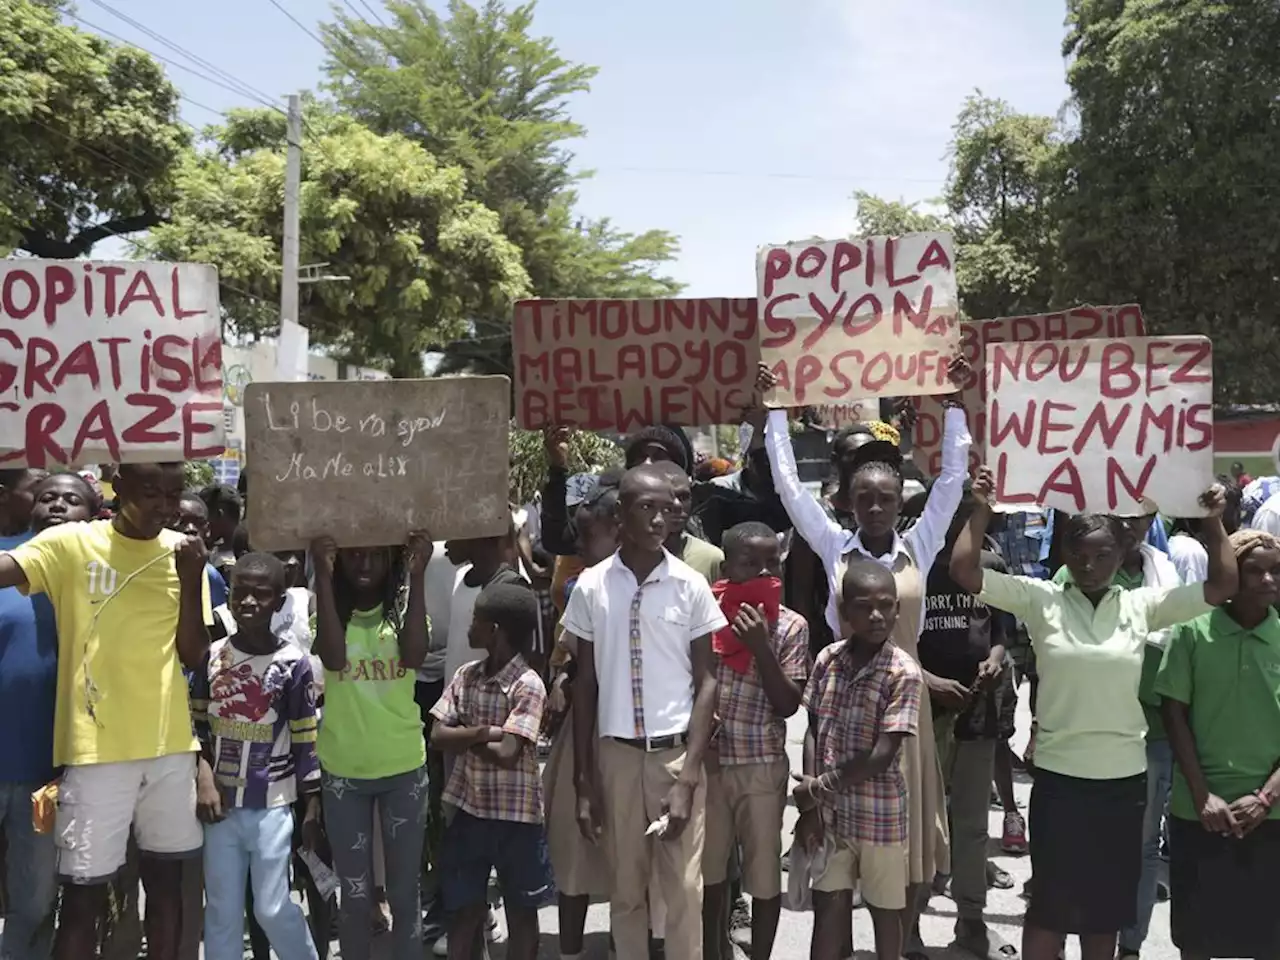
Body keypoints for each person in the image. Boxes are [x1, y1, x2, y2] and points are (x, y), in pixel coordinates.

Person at [949, 467, 1237, 960]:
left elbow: (1223, 585)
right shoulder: (1040, 599)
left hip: (1123, 785)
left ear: (1121, 554)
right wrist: (981, 507)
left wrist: (1211, 520)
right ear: (1062, 554)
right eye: (1078, 554)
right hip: (1061, 783)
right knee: (1050, 911)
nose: (1090, 564)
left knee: (1103, 913)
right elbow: (964, 572)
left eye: (1103, 554)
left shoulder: (1142, 606)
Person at [765, 359, 970, 952]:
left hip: (903, 721)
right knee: (835, 864)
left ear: (899, 497)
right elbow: (788, 489)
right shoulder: (833, 547)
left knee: (903, 863)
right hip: (841, 711)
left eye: (886, 497)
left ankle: (897, 944)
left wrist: (953, 403)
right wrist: (775, 411)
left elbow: (953, 482)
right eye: (865, 499)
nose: (877, 507)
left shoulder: (920, 545)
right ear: (849, 502)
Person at [0, 462, 211, 960]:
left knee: (164, 891)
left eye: (174, 493)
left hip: (168, 749)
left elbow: (194, 654)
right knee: (82, 900)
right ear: (119, 486)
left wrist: (192, 575)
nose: (164, 504)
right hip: (95, 753)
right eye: (150, 491)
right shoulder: (71, 542)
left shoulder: (184, 555)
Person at [564, 464, 726, 960]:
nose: (661, 518)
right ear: (620, 515)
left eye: (668, 509)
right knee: (626, 893)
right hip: (615, 758)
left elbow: (708, 682)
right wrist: (585, 781)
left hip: (674, 757)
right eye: (647, 508)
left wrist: (688, 776)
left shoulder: (689, 585)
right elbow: (584, 685)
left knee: (683, 893)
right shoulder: (591, 586)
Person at [1048, 514, 1178, 960]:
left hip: (1146, 743)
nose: (1132, 521)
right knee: (1059, 887)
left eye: (1142, 512)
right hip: (1066, 764)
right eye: (1122, 511)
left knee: (1133, 863)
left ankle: (1131, 946)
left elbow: (1209, 602)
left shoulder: (1161, 576)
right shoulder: (1065, 583)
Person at [188, 552, 321, 960]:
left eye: (261, 595)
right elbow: (196, 727)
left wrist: (313, 807)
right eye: (240, 593)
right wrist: (203, 776)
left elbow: (305, 738)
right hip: (221, 806)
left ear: (280, 601)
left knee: (271, 905)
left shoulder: (293, 663)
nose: (248, 602)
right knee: (223, 910)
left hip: (272, 806)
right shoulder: (212, 657)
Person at [1157, 529, 1280, 960]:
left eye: (1275, 571)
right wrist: (1202, 794)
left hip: (1272, 815)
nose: (1268, 580)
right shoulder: (1193, 631)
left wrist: (1265, 799)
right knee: (1198, 937)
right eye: (1255, 571)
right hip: (1200, 811)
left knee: (1268, 937)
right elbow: (1174, 715)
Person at [793, 559, 924, 960]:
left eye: (886, 605)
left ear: (898, 610)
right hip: (830, 814)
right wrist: (813, 805)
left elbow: (883, 754)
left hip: (879, 813)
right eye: (864, 606)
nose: (876, 615)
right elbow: (815, 729)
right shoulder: (828, 660)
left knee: (885, 909)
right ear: (844, 611)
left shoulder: (903, 672)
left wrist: (819, 786)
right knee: (829, 905)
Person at [311, 533, 432, 960]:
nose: (364, 563)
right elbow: (333, 659)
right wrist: (322, 580)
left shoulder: (402, 614)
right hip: (345, 770)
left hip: (402, 768)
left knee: (404, 892)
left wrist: (418, 578)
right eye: (355, 554)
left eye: (375, 554)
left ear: (390, 560)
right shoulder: (328, 614)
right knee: (355, 894)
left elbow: (416, 656)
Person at [918, 485, 1017, 960]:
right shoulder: (914, 568)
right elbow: (894, 642)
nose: (960, 525)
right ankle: (910, 923)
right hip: (921, 712)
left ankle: (971, 921)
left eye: (968, 516)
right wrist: (930, 681)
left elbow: (1001, 634)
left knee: (974, 823)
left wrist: (995, 660)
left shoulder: (991, 569)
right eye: (952, 516)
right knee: (921, 822)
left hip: (978, 709)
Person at [703, 522, 809, 960]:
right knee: (709, 876)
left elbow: (787, 704)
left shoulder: (790, 626)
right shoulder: (705, 615)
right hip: (709, 764)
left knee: (763, 875)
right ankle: (714, 951)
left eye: (773, 564)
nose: (765, 573)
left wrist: (761, 647)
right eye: (751, 564)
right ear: (727, 567)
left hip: (761, 765)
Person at [431, 582, 553, 960]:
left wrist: (463, 736)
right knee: (464, 910)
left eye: (475, 621)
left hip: (517, 819)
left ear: (494, 630)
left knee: (521, 912)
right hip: (470, 811)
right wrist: (485, 731)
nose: (469, 627)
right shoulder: (467, 674)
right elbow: (436, 734)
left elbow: (508, 752)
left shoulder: (528, 685)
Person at [0, 470, 92, 960]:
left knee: (35, 901)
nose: (57, 504)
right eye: (48, 495)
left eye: (71, 498)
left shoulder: (97, 570)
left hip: (47, 772)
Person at [543, 483, 619, 960]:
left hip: (631, 728)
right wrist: (558, 680)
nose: (581, 549)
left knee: (627, 850)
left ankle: (623, 944)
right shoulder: (584, 585)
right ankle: (570, 949)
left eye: (589, 538)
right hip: (584, 725)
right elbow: (568, 655)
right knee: (573, 842)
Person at [651, 460, 724, 584]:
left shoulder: (712, 558)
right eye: (668, 496)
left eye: (684, 497)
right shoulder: (626, 560)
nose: (677, 505)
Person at [175, 491, 229, 607]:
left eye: (198, 523)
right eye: (181, 522)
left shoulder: (210, 576)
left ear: (208, 530)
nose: (190, 529)